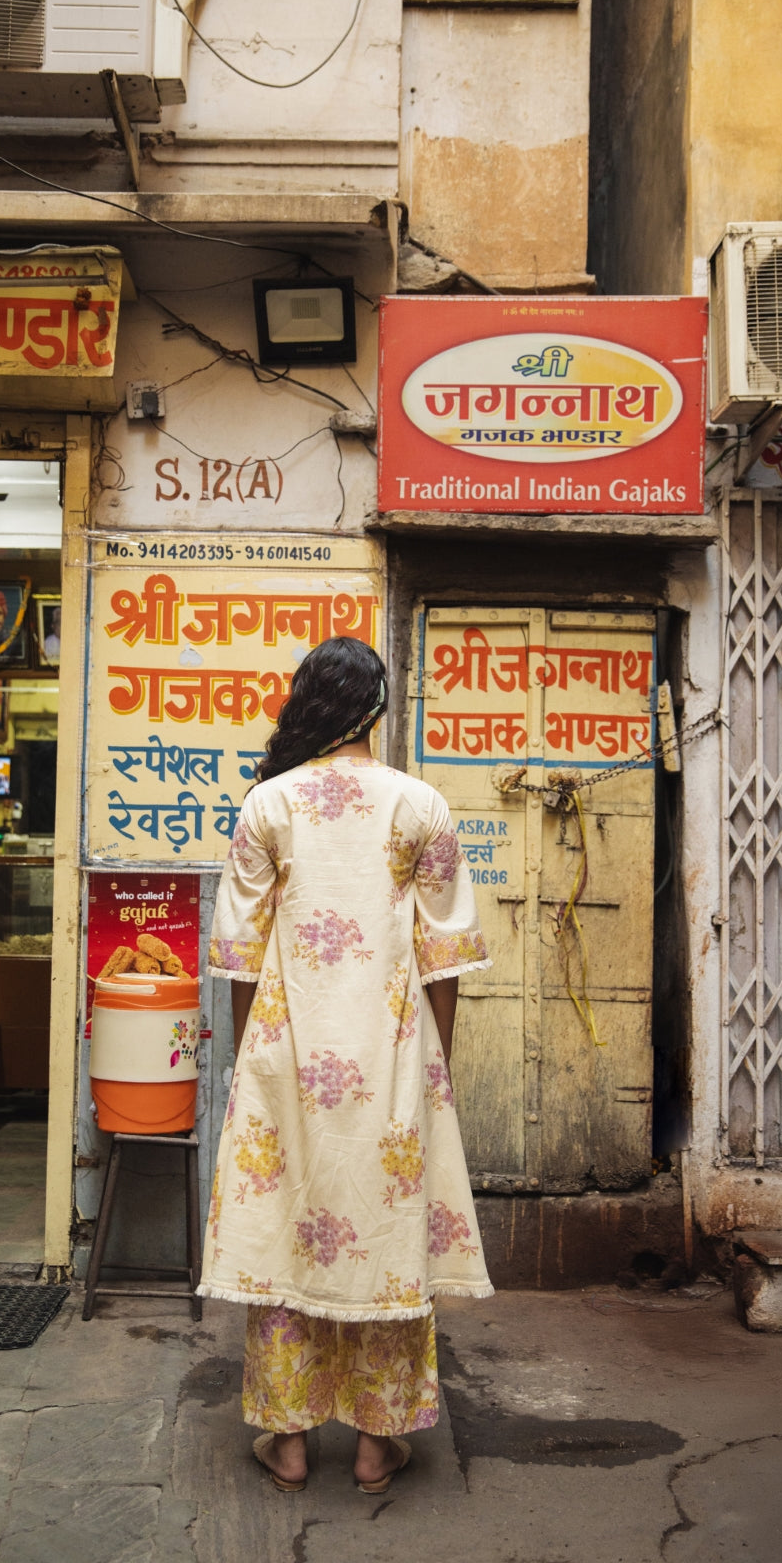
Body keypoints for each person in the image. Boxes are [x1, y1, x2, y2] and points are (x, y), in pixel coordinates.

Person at [199, 635, 493, 1494]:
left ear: (308, 704)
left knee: (289, 1230)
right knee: (386, 1235)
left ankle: (288, 1444)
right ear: (376, 709)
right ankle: (376, 1445)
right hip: (393, 1055)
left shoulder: (267, 807)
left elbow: (240, 961)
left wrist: (247, 1063)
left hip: (285, 1057)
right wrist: (440, 1066)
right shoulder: (420, 807)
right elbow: (446, 959)